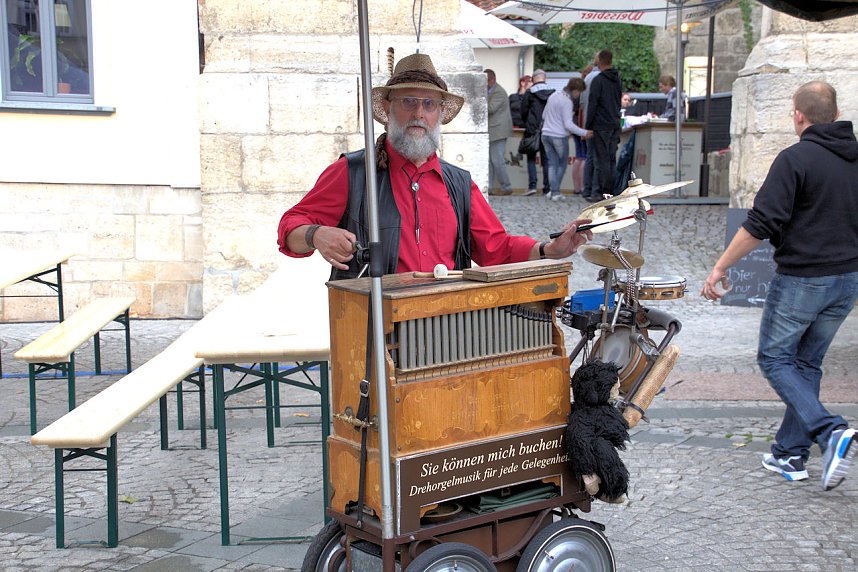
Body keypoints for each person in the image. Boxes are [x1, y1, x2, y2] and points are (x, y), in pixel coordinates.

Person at [277, 52, 593, 280]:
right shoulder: (354, 173)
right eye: (408, 101)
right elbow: (290, 227)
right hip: (372, 331)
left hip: (444, 328)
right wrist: (316, 234)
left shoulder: (458, 183)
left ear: (440, 113)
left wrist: (548, 249)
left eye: (429, 104)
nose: (419, 112)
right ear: (387, 108)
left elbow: (494, 248)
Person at [702, 81, 858, 491]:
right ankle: (791, 454)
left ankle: (829, 430)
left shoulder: (795, 158)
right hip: (847, 280)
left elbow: (761, 223)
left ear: (798, 115)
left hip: (805, 278)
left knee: (774, 359)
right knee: (806, 364)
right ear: (835, 112)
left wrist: (720, 266)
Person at [540, 77, 591, 202]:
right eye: (579, 92)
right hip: (559, 136)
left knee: (552, 164)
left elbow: (543, 115)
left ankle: (552, 191)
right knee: (561, 164)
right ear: (575, 91)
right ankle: (555, 192)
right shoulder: (567, 102)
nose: (578, 95)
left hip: (545, 134)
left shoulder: (553, 95)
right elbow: (568, 124)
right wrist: (585, 132)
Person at [584, 50, 622, 202]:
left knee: (601, 160)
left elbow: (593, 103)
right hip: (614, 123)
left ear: (599, 60)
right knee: (611, 159)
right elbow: (618, 100)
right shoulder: (617, 79)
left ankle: (601, 192)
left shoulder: (598, 80)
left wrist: (588, 126)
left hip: (600, 124)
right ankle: (611, 191)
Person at [520, 69, 554, 196]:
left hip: (532, 129)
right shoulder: (553, 92)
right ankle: (547, 188)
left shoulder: (529, 93)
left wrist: (527, 123)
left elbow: (523, 112)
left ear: (534, 79)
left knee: (531, 159)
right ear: (545, 78)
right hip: (548, 129)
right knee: (546, 160)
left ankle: (532, 186)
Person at [484, 69, 514, 197]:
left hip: (498, 131)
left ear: (492, 80)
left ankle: (506, 187)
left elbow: (490, 109)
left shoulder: (499, 92)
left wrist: (478, 100)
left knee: (497, 161)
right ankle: (489, 188)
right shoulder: (491, 91)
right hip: (493, 131)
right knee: (489, 162)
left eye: (485, 82)